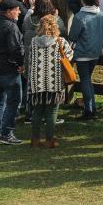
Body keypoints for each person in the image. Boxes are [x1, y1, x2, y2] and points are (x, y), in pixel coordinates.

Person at [26, 14, 72, 148]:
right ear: (55, 26)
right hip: (54, 81)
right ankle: (49, 140)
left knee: (37, 111)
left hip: (37, 82)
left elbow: (30, 59)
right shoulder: (61, 41)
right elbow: (69, 56)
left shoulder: (34, 41)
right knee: (51, 112)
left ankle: (34, 140)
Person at [0, 0, 25, 144]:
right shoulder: (11, 27)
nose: (19, 12)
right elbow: (15, 49)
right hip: (9, 69)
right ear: (9, 12)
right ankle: (7, 133)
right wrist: (20, 64)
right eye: (17, 9)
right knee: (14, 102)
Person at [69, 0, 103, 120]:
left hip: (83, 53)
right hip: (96, 52)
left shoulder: (79, 16)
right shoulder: (101, 15)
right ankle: (92, 107)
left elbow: (73, 36)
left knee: (85, 80)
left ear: (83, 1)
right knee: (88, 80)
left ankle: (89, 111)